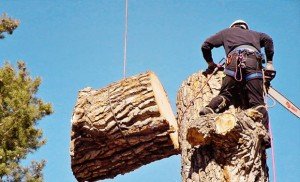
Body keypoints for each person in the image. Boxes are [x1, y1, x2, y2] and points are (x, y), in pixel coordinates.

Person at [199, 20, 275, 126]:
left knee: (226, 94)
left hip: (232, 64)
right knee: (257, 102)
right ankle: (263, 135)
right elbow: (268, 40)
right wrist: (269, 63)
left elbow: (205, 46)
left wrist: (211, 64)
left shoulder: (226, 32)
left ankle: (209, 109)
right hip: (253, 63)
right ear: (245, 28)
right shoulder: (256, 34)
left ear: (233, 26)